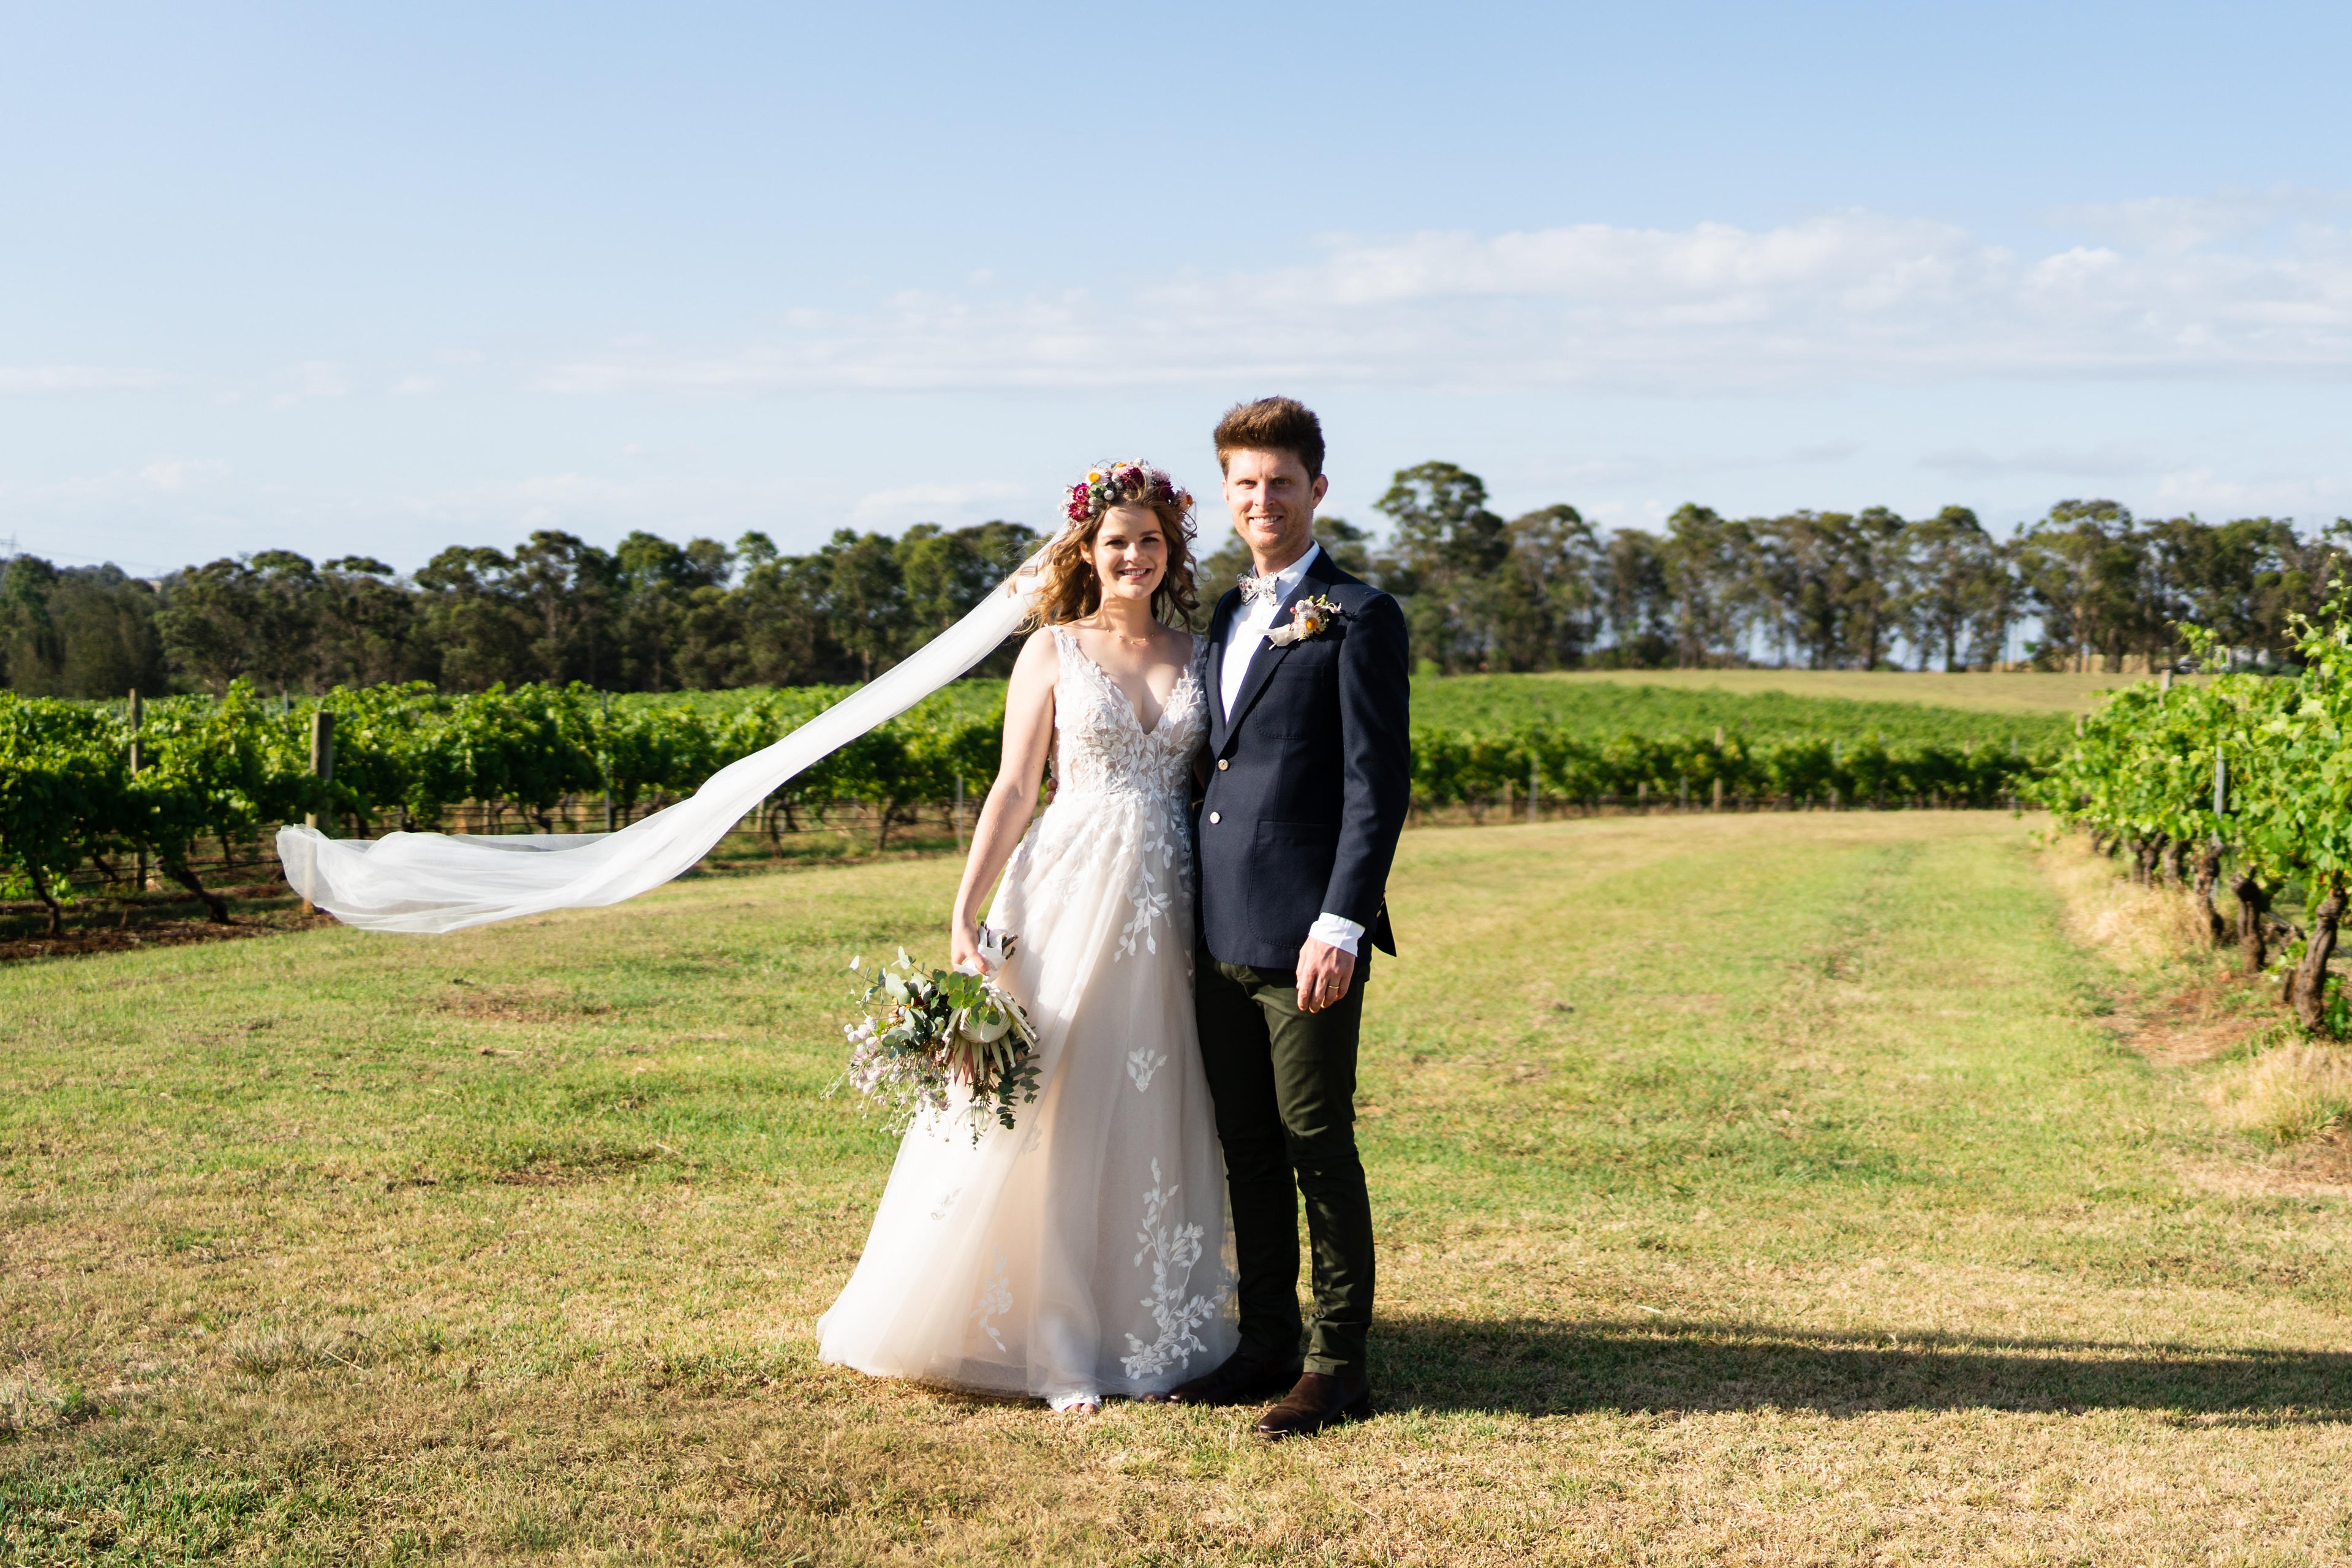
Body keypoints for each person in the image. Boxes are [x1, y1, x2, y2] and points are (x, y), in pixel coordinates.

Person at [816, 462, 1238, 1414]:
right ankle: (1058, 1348)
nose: (1134, 555)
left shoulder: (1201, 651)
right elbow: (1014, 789)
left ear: (1172, 553)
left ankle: (1148, 1321)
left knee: (1158, 1099)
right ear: (1087, 552)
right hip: (1063, 887)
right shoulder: (1051, 650)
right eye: (1117, 541)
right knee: (1052, 1103)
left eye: (1152, 541)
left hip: (1173, 902)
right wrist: (965, 912)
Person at [1155, 397, 1411, 1439]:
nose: (1262, 499)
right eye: (1243, 484)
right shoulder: (1223, 613)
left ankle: (1337, 1362)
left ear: (1317, 490)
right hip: (1211, 935)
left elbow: (1375, 786)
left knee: (1317, 1144)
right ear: (1226, 493)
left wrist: (1342, 923)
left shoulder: (1359, 613)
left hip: (1305, 937)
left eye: (1281, 482)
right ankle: (1262, 1342)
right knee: (1244, 1148)